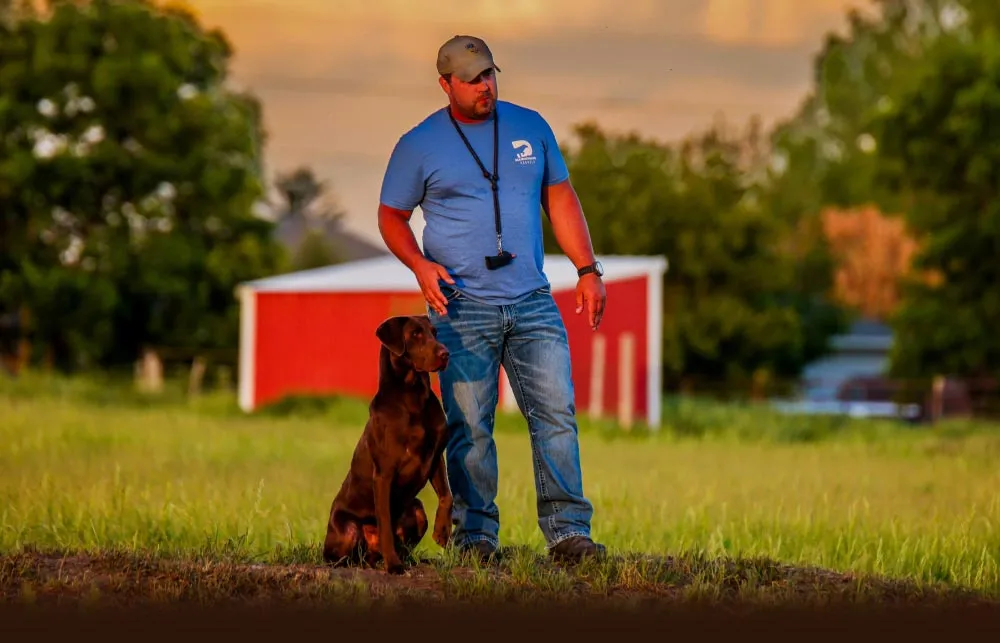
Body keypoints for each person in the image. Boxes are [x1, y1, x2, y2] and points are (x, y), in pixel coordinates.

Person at [376, 34, 607, 563]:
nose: (485, 87)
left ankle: (568, 534)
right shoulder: (418, 144)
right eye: (472, 79)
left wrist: (587, 269)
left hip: (532, 301)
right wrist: (419, 265)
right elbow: (391, 217)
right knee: (470, 427)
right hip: (461, 307)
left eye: (489, 75)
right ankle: (476, 539)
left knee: (556, 414)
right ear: (445, 84)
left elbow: (560, 198)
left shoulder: (531, 127)